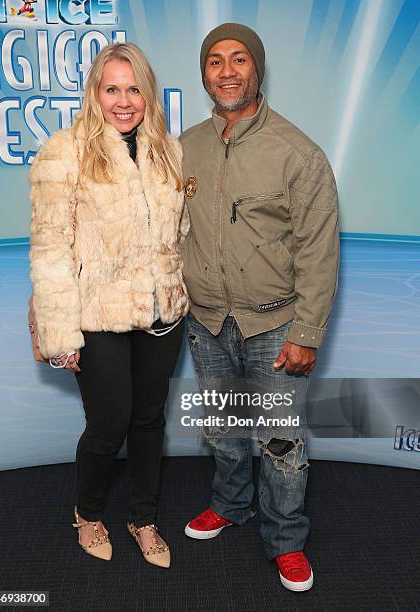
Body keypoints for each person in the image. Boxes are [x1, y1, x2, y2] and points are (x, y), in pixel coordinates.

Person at [180, 23, 339, 591]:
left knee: (277, 439)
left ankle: (286, 539)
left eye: (239, 59)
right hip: (205, 323)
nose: (227, 71)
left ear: (257, 68)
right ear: (204, 73)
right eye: (215, 61)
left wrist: (309, 331)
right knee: (224, 431)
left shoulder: (298, 153)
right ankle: (230, 504)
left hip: (275, 324)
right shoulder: (185, 147)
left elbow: (320, 249)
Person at [29, 42, 189, 567]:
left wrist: (179, 290)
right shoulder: (63, 151)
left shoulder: (168, 150)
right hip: (96, 314)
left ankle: (143, 518)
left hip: (160, 313)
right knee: (109, 422)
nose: (124, 101)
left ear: (148, 93)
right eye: (112, 89)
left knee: (148, 420)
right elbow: (50, 247)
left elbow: (178, 233)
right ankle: (88, 511)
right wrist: (59, 336)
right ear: (95, 93)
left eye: (134, 88)